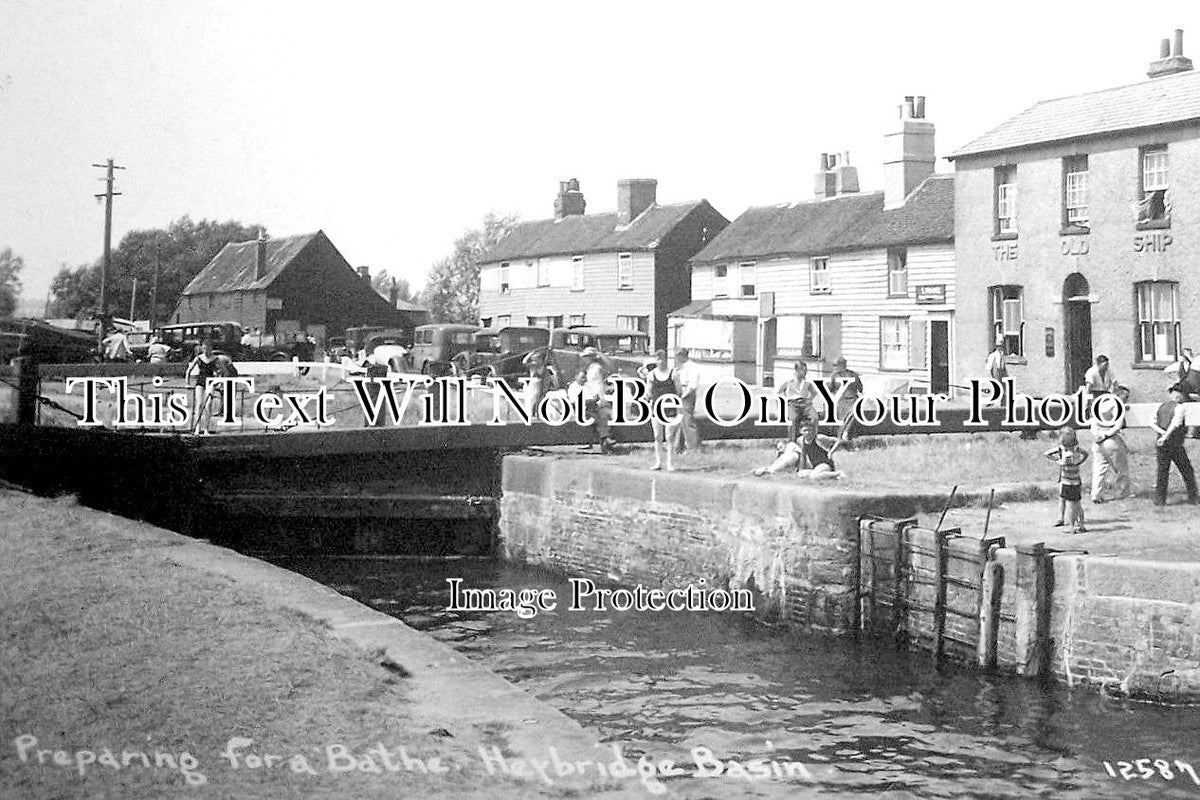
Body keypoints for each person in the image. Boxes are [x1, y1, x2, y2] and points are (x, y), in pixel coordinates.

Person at [1151, 383, 1199, 506]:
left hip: (1161, 443)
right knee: (1186, 470)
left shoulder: (1160, 406)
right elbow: (1175, 424)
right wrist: (1166, 435)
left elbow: (1152, 422)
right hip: (1175, 443)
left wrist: (1162, 434)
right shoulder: (1180, 407)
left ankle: (1159, 499)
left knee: (1162, 472)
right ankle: (1193, 497)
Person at [752, 421, 843, 480]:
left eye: (810, 430)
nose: (808, 432)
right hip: (814, 465)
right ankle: (770, 469)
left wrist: (831, 451)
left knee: (813, 477)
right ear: (801, 431)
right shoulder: (801, 440)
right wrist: (801, 469)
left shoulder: (819, 438)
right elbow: (803, 454)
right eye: (805, 430)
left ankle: (837, 474)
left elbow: (838, 440)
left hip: (824, 464)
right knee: (800, 474)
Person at [638, 349, 678, 471]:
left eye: (662, 359)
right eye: (658, 359)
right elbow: (648, 392)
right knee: (657, 435)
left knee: (669, 436)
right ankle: (658, 462)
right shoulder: (651, 375)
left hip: (670, 407)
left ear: (666, 360)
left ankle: (670, 463)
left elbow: (679, 390)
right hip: (656, 407)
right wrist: (645, 398)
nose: (660, 361)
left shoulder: (673, 373)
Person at [1089, 388, 1130, 503]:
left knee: (1099, 469)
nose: (1126, 400)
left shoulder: (1099, 405)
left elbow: (1093, 425)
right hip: (1111, 440)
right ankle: (1122, 492)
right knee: (1121, 468)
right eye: (1125, 397)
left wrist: (1098, 435)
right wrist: (1106, 435)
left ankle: (1095, 494)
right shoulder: (1118, 406)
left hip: (1098, 441)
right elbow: (1117, 426)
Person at [1044, 427, 1089, 532]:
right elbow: (1047, 454)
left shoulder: (1073, 449)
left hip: (1070, 481)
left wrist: (1078, 462)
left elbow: (1085, 454)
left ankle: (1073, 526)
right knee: (1076, 504)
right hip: (1071, 480)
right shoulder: (1069, 449)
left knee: (1072, 505)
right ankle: (1079, 524)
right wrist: (1058, 460)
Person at [776, 361, 819, 443]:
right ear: (797, 370)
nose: (805, 373)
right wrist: (783, 403)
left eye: (806, 370)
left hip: (805, 403)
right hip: (793, 403)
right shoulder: (789, 381)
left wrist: (810, 399)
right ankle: (793, 442)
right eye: (803, 370)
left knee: (814, 417)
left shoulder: (807, 382)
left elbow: (814, 392)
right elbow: (778, 393)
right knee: (793, 418)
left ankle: (813, 441)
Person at [185, 338, 221, 435]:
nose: (206, 350)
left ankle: (206, 429)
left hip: (210, 382)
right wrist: (187, 383)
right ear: (202, 348)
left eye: (208, 348)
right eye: (204, 348)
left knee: (208, 405)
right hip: (200, 381)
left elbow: (224, 371)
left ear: (211, 348)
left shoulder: (215, 359)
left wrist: (219, 381)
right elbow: (188, 371)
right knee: (199, 404)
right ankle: (197, 428)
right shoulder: (199, 358)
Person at [827, 356, 863, 445]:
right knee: (841, 419)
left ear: (843, 365)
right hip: (840, 401)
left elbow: (860, 388)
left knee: (855, 413)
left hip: (852, 400)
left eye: (837, 365)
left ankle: (846, 434)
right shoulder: (834, 376)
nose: (835, 367)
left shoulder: (853, 375)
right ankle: (841, 440)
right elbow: (829, 389)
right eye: (834, 366)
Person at [674, 348, 701, 453]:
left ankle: (693, 447)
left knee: (688, 421)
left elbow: (692, 385)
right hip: (680, 391)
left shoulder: (692, 367)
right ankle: (678, 446)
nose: (676, 358)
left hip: (687, 394)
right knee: (680, 421)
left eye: (678, 356)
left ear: (683, 355)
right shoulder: (681, 367)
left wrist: (684, 395)